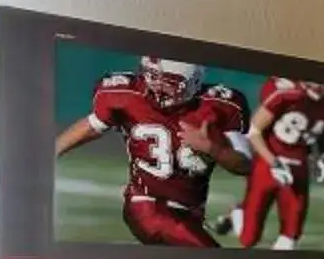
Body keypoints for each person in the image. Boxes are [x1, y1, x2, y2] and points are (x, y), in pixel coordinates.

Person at [54, 56, 252, 247]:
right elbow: (93, 125)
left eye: (169, 81)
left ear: (194, 81)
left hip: (190, 212)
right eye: (152, 76)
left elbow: (244, 165)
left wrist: (212, 148)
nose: (156, 86)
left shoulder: (220, 106)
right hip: (146, 206)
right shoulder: (128, 95)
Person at [224, 76, 324, 250]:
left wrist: (322, 157)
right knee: (248, 239)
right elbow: (254, 131)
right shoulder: (286, 96)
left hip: (299, 165)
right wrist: (274, 163)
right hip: (268, 162)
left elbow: (320, 130)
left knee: (290, 237)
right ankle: (238, 213)